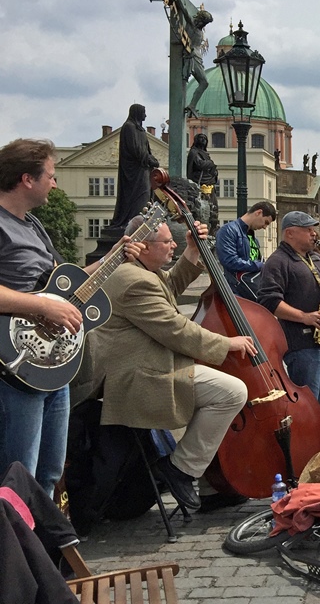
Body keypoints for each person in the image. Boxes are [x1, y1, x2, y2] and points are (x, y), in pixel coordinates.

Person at [74, 215, 255, 511]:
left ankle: (210, 483)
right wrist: (226, 344)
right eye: (167, 241)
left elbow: (169, 285)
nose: (172, 245)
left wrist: (192, 251)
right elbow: (175, 329)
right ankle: (180, 469)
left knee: (220, 392)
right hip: (135, 378)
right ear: (143, 246)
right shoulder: (132, 280)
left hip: (147, 367)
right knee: (231, 392)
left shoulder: (140, 272)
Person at [0, 139, 143, 496]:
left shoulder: (32, 225)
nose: (55, 183)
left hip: (52, 365)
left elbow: (63, 285)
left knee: (48, 473)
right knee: (20, 477)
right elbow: (47, 302)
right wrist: (43, 308)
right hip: (16, 366)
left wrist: (114, 257)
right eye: (51, 175)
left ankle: (41, 548)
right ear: (26, 179)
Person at [258, 211, 320, 413]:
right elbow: (269, 301)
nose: (314, 234)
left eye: (313, 229)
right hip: (301, 343)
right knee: (305, 407)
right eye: (308, 230)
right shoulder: (278, 261)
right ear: (290, 233)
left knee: (316, 404)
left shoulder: (316, 258)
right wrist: (305, 317)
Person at [109, 104, 160, 233]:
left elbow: (145, 149)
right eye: (144, 112)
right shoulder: (129, 127)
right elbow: (135, 149)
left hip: (143, 169)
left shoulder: (140, 130)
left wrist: (151, 159)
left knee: (146, 194)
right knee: (138, 196)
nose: (145, 115)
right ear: (137, 112)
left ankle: (141, 223)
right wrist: (149, 159)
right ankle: (133, 223)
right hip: (133, 171)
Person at [215, 200, 277, 299]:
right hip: (237, 293)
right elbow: (229, 261)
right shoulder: (228, 230)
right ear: (258, 212)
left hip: (249, 289)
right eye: (265, 222)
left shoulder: (252, 238)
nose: (265, 227)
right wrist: (259, 265)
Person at [187, 132, 219, 231]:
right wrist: (210, 163)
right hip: (199, 182)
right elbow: (200, 164)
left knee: (213, 207)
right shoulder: (194, 152)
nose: (203, 140)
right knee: (200, 208)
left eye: (205, 139)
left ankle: (212, 227)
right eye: (201, 138)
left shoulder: (205, 153)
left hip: (209, 183)